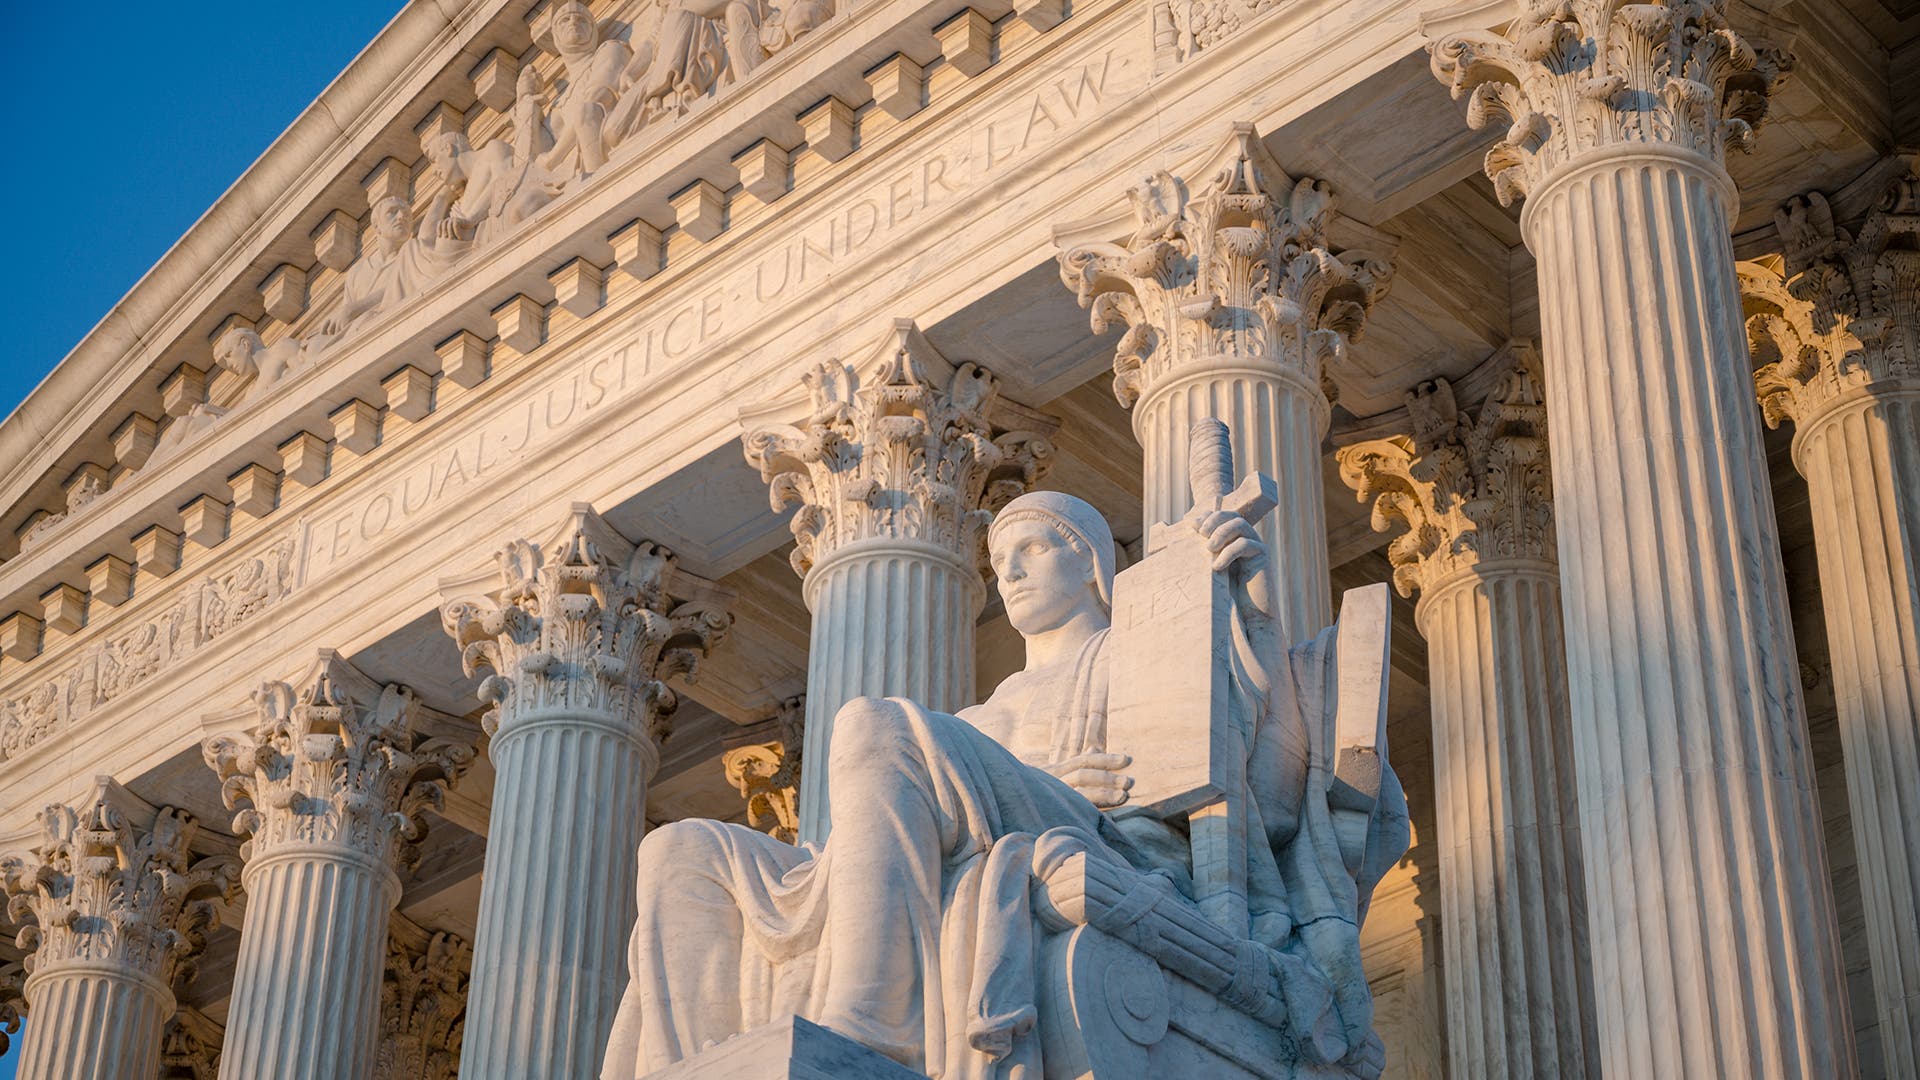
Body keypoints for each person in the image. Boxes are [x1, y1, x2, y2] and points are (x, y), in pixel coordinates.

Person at [601, 489, 1408, 1079]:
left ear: (1090, 561)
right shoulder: (985, 714)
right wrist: (1050, 774)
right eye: (999, 561)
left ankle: (871, 1019)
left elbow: (1260, 784)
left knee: (870, 724)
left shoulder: (1137, 655)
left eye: (1034, 548)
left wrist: (1244, 609)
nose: (1010, 572)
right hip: (1012, 824)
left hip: (1109, 843)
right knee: (683, 851)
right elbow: (874, 842)